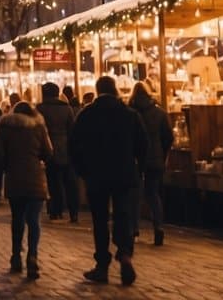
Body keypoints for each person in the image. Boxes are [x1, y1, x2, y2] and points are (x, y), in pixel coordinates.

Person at [70, 76, 147, 287]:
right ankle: (125, 254)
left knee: (100, 220)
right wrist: (137, 167)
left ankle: (102, 265)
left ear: (97, 90)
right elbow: (143, 145)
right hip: (124, 173)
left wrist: (83, 171)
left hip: (96, 175)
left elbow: (74, 146)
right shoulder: (130, 115)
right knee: (123, 215)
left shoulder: (86, 114)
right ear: (115, 90)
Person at [0, 101, 53, 280]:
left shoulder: (4, 127)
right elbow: (48, 153)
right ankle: (32, 255)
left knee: (17, 218)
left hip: (14, 178)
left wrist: (4, 166)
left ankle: (16, 255)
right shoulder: (39, 127)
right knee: (34, 220)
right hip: (36, 179)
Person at [129, 82, 173, 246]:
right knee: (153, 194)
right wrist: (163, 152)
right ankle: (158, 227)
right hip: (155, 157)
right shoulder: (160, 113)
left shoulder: (131, 113)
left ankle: (134, 228)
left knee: (135, 195)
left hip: (135, 158)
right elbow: (168, 137)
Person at [36, 82, 78, 223]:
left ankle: (55, 210)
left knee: (53, 182)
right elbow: (72, 130)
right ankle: (73, 212)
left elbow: (38, 130)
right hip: (66, 148)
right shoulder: (66, 108)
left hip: (49, 148)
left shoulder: (40, 109)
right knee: (69, 182)